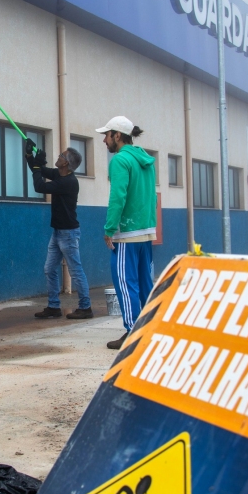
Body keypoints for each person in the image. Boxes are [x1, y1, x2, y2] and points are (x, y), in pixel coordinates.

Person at [96, 116, 157, 350]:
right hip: (146, 231)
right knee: (145, 283)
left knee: (125, 282)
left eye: (107, 135)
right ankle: (149, 329)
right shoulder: (145, 160)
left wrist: (109, 229)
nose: (104, 140)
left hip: (127, 234)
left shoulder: (120, 160)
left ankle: (133, 332)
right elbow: (150, 196)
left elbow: (118, 197)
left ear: (117, 136)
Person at [23, 140, 93, 319]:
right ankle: (54, 307)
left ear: (66, 163)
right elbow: (39, 171)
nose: (59, 156)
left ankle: (86, 308)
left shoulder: (68, 182)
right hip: (58, 232)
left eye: (62, 156)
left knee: (75, 271)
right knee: (49, 269)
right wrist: (30, 156)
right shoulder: (60, 175)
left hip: (68, 234)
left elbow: (39, 186)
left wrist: (38, 165)